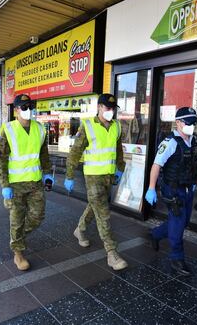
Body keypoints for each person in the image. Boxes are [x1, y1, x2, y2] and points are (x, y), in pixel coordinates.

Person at [64, 93, 128, 271]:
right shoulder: (88, 126)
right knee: (103, 213)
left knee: (95, 206)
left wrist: (120, 168)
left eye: (113, 108)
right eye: (108, 108)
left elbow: (118, 150)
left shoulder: (116, 126)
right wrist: (69, 175)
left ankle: (80, 229)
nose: (111, 111)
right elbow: (75, 152)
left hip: (108, 175)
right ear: (99, 107)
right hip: (92, 176)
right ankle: (112, 253)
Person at [0, 94, 54, 271]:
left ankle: (17, 238)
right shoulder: (9, 129)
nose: (29, 110)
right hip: (15, 185)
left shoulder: (40, 129)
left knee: (37, 217)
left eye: (31, 106)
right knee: (17, 219)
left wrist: (47, 174)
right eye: (24, 107)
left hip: (35, 182)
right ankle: (18, 254)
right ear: (16, 110)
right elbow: (1, 160)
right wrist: (4, 185)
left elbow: (44, 155)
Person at [144, 107, 197, 276]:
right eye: (188, 122)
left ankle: (155, 234)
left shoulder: (193, 140)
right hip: (173, 190)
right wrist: (151, 188)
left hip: (188, 188)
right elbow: (156, 166)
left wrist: (194, 182)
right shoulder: (170, 143)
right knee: (177, 225)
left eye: (193, 123)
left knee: (182, 222)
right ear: (178, 123)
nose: (192, 126)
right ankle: (177, 258)